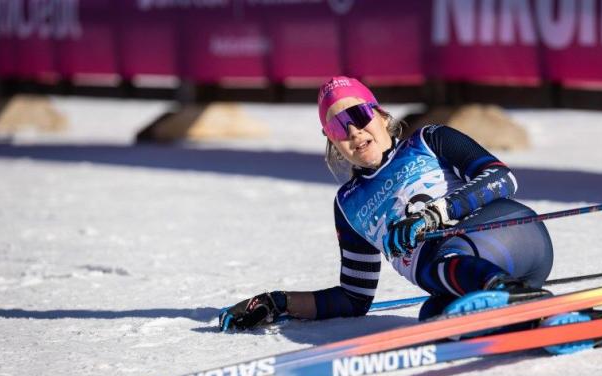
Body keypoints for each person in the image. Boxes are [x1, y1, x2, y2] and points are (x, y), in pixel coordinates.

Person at [219, 75, 561, 332]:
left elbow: (503, 179)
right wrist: (278, 302)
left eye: (358, 114)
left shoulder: (430, 140)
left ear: (380, 114)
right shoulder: (348, 205)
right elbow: (354, 298)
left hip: (512, 236)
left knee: (435, 261)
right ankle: (538, 321)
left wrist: (435, 215)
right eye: (338, 126)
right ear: (331, 141)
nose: (353, 131)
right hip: (457, 279)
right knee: (435, 317)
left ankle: (507, 295)